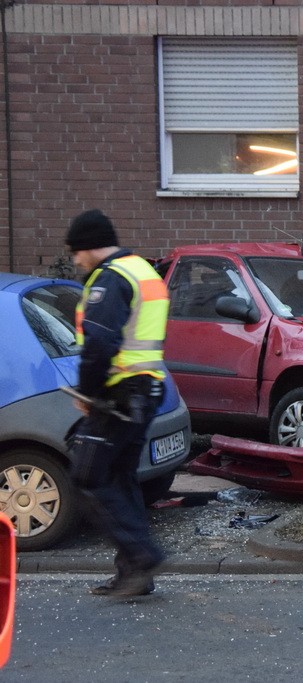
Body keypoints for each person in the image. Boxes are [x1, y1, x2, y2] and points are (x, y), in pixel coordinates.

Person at [65, 209, 170, 597]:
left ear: (91, 245)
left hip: (118, 394)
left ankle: (142, 556)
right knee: (121, 477)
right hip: (146, 390)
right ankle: (133, 574)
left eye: (77, 251)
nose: (76, 260)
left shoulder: (110, 278)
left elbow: (99, 344)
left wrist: (88, 395)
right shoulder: (143, 270)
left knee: (87, 476)